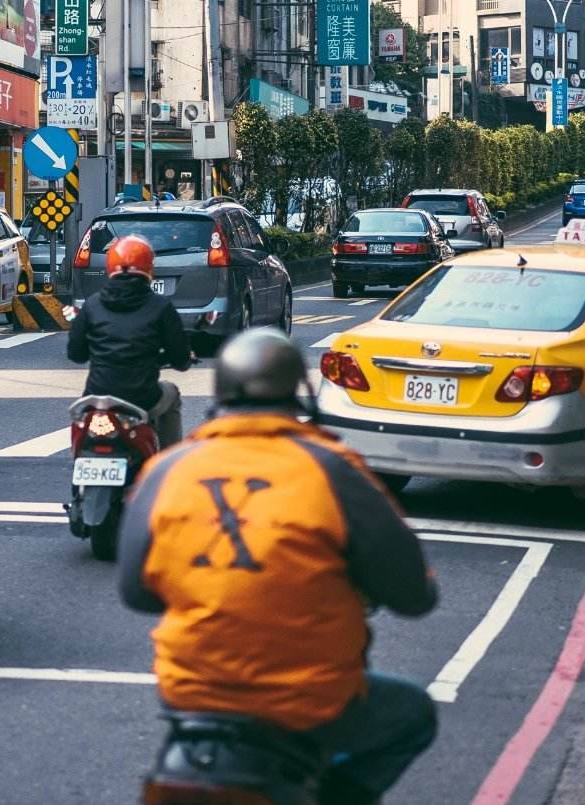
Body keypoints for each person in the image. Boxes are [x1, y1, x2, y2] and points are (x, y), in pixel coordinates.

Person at [119, 329, 438, 805]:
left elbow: (137, 593)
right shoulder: (333, 469)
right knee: (412, 715)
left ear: (221, 391)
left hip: (191, 699)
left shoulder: (168, 470)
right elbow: (415, 596)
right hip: (306, 702)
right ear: (297, 391)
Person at [66, 233, 193, 446]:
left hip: (97, 397)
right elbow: (180, 359)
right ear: (149, 267)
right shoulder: (160, 306)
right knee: (172, 393)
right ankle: (168, 461)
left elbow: (75, 354)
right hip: (143, 397)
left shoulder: (92, 304)